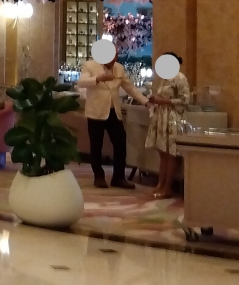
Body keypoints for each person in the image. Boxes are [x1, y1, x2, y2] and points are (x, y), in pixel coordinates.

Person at [77, 43, 148, 189]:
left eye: (115, 55)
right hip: (96, 112)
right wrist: (98, 78)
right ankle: (99, 176)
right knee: (96, 146)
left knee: (120, 143)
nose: (115, 58)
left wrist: (145, 101)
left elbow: (130, 88)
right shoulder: (90, 65)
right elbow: (82, 82)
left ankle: (118, 177)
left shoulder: (119, 68)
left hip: (113, 111)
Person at [145, 53, 191, 199]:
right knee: (162, 153)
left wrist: (164, 101)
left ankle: (168, 187)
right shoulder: (165, 78)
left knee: (171, 154)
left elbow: (185, 100)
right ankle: (160, 184)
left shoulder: (180, 78)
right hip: (162, 116)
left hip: (173, 118)